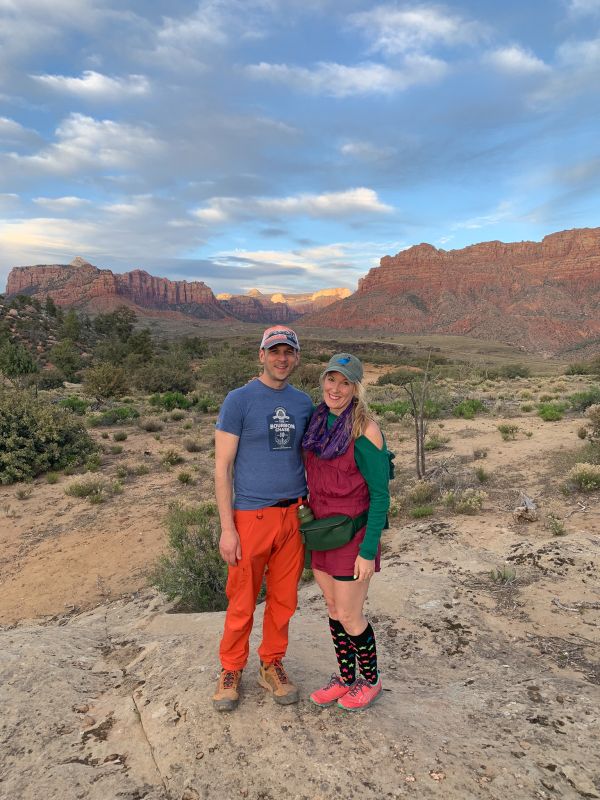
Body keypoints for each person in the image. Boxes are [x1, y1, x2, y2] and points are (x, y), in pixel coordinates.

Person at [212, 326, 313, 711]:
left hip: (293, 515)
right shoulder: (239, 400)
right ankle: (231, 668)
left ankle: (271, 663)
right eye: (275, 351)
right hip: (251, 516)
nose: (281, 359)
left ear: (296, 357)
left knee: (284, 598)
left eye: (288, 352)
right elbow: (222, 468)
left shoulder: (303, 403)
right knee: (242, 598)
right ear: (262, 355)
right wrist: (227, 529)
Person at [302, 353, 390, 711]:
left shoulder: (365, 430)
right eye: (331, 379)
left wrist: (368, 552)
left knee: (351, 615)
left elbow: (381, 496)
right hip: (321, 533)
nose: (335, 389)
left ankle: (371, 680)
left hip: (352, 536)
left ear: (356, 388)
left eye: (345, 383)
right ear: (323, 380)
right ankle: (346, 678)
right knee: (334, 609)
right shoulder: (316, 421)